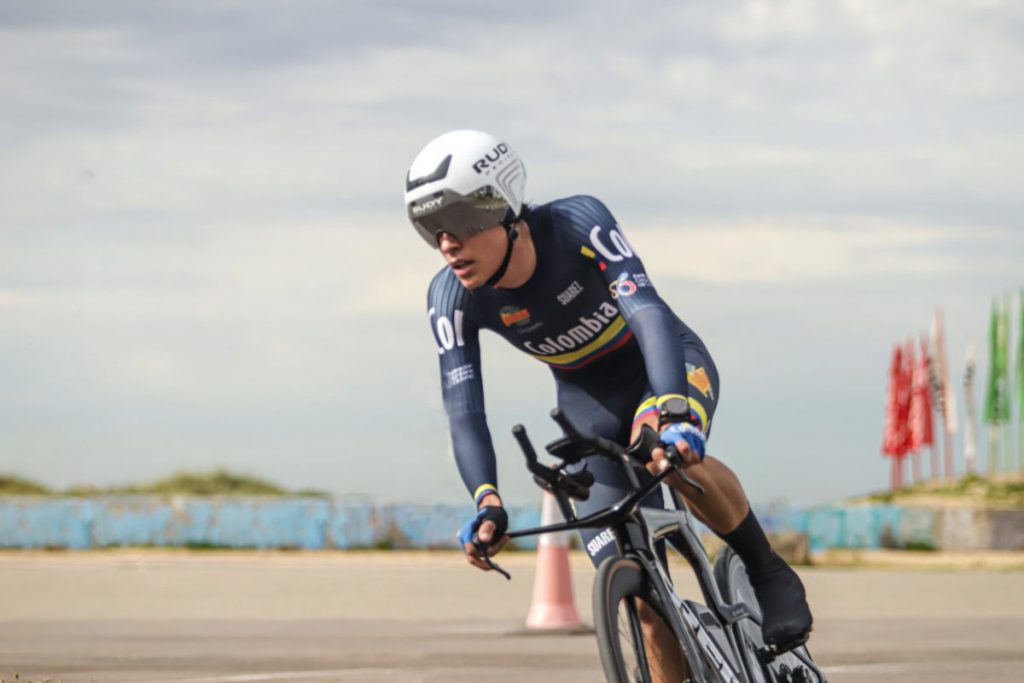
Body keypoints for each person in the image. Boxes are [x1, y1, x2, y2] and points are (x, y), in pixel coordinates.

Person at [405, 129, 813, 675]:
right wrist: (486, 501)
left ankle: (766, 570)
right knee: (641, 605)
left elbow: (647, 311)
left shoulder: (577, 222)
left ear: (503, 207)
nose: (446, 243)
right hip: (587, 404)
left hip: (661, 365)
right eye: (431, 229)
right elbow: (464, 410)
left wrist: (673, 411)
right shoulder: (450, 297)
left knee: (663, 453)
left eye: (458, 221)